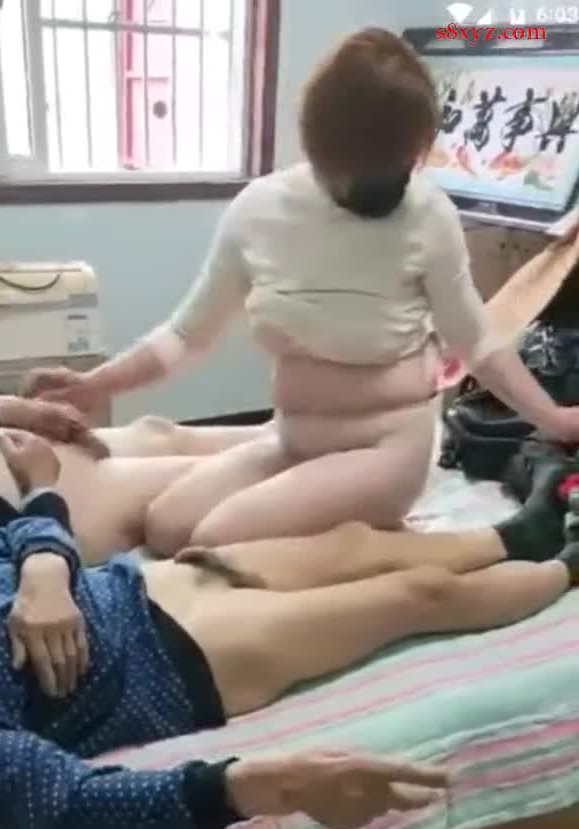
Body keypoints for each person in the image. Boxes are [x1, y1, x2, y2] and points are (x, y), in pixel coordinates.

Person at [0, 437, 575, 829]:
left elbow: (5, 539)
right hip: (182, 659)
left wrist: (44, 553)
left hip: (148, 583)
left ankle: (523, 533)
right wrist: (237, 788)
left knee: (356, 544)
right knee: (415, 596)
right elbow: (71, 801)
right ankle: (566, 569)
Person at [29, 28, 579, 555]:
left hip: (386, 445)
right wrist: (93, 385)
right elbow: (186, 337)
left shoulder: (428, 214)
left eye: (400, 165)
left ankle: (395, 541)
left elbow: (478, 342)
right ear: (318, 146)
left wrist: (554, 420)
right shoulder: (260, 210)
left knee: (214, 539)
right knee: (167, 526)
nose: (384, 186)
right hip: (293, 437)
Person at [0, 387, 250, 564]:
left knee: (157, 434)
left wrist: (10, 410)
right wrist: (40, 496)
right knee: (186, 492)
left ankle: (284, 432)